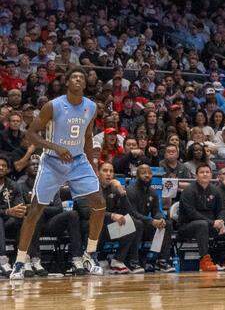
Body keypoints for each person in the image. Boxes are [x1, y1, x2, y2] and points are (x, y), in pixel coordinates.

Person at [10, 66, 105, 279]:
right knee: (35, 210)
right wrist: (55, 147)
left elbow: (88, 137)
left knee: (99, 203)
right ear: (67, 82)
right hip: (52, 162)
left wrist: (93, 165)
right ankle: (19, 261)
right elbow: (32, 135)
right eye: (74, 77)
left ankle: (90, 254)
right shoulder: (52, 106)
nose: (79, 80)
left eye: (82, 77)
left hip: (79, 161)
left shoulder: (91, 106)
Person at [177, 163, 225, 272]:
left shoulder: (215, 191)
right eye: (202, 172)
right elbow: (192, 213)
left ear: (211, 175)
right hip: (187, 226)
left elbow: (221, 209)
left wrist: (220, 222)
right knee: (202, 224)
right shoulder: (188, 191)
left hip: (211, 225)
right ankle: (204, 260)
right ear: (196, 176)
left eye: (207, 172)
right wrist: (212, 223)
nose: (205, 174)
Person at [125, 164, 175, 272]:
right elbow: (132, 213)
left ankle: (161, 260)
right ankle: (133, 261)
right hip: (128, 226)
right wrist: (152, 221)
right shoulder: (130, 190)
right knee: (138, 223)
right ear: (137, 176)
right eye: (143, 173)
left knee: (167, 224)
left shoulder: (153, 192)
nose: (147, 175)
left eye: (149, 173)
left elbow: (156, 211)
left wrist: (160, 219)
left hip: (145, 224)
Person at [97, 161, 142, 274]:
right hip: (93, 226)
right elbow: (90, 212)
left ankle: (118, 260)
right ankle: (99, 257)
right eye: (105, 171)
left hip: (109, 229)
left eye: (111, 171)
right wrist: (112, 215)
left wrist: (121, 192)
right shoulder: (93, 188)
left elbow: (129, 211)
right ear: (98, 173)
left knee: (136, 223)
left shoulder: (114, 188)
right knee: (100, 224)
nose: (108, 174)